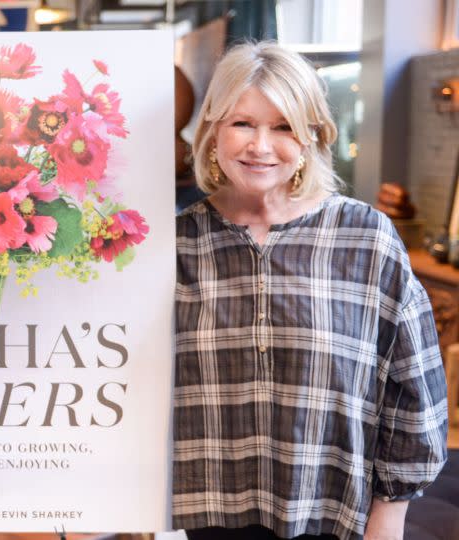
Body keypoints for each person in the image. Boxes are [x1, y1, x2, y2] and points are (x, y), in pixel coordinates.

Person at [173, 41, 448, 540]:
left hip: (336, 513)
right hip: (210, 512)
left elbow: (414, 386)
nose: (260, 145)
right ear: (213, 132)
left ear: (310, 137)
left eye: (282, 127)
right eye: (242, 123)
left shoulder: (364, 238)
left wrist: (392, 512)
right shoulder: (176, 242)